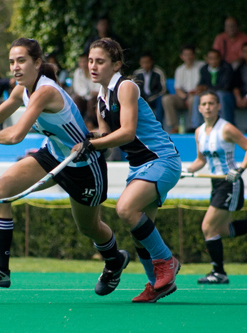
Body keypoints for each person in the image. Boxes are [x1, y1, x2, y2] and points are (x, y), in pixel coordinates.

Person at [0, 38, 129, 293]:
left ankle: (115, 259)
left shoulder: (46, 91)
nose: (15, 67)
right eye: (12, 62)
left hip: (83, 164)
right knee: (0, 192)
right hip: (53, 155)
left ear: (37, 63)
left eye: (21, 61)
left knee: (89, 227)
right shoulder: (21, 90)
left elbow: (15, 135)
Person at [77, 38, 181, 303]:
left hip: (161, 160)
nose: (93, 66)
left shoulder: (126, 87)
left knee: (125, 209)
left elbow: (127, 133)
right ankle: (156, 285)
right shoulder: (100, 98)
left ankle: (167, 262)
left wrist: (93, 143)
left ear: (116, 64)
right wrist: (83, 139)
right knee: (141, 232)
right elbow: (106, 137)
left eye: (100, 61)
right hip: (139, 166)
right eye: (90, 61)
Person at [182, 90, 247, 284]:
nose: (207, 107)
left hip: (230, 181)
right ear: (199, 108)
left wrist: (239, 169)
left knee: (208, 227)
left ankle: (218, 272)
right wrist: (186, 171)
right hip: (216, 182)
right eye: (204, 104)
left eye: (211, 103)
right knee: (222, 230)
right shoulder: (199, 132)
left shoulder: (226, 129)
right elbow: (200, 160)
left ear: (219, 106)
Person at [162, 44, 205, 133]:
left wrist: (195, 93)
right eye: (185, 55)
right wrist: (184, 96)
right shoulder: (179, 69)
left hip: (198, 95)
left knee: (193, 99)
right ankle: (175, 126)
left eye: (190, 54)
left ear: (194, 55)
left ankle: (193, 126)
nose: (188, 57)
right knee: (167, 99)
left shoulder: (202, 66)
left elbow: (204, 84)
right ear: (182, 56)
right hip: (184, 96)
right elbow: (177, 88)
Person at [191, 49, 234, 130]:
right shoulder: (204, 69)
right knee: (197, 97)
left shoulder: (227, 67)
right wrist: (199, 88)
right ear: (207, 59)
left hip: (226, 95)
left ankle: (224, 125)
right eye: (211, 58)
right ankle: (195, 125)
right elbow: (201, 82)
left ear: (220, 58)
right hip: (210, 93)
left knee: (220, 95)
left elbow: (225, 86)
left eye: (215, 58)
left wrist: (207, 88)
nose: (213, 61)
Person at [133, 52, 168, 127]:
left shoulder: (158, 72)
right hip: (142, 98)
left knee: (161, 99)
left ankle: (159, 125)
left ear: (151, 62)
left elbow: (163, 90)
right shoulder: (137, 73)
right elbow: (134, 89)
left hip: (155, 98)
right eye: (143, 63)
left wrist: (151, 97)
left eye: (147, 62)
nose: (145, 65)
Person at [71, 52, 101, 130]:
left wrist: (93, 92)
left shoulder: (95, 71)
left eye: (85, 61)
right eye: (81, 61)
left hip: (95, 96)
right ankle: (77, 122)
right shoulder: (78, 72)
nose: (83, 64)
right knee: (76, 99)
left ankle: (91, 122)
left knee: (91, 101)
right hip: (83, 96)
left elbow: (99, 87)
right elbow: (77, 88)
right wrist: (86, 93)